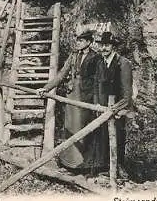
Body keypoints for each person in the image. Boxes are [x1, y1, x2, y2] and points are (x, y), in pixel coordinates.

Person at [37, 29, 99, 173]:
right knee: (70, 128)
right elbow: (61, 75)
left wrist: (97, 101)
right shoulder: (73, 56)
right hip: (72, 97)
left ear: (89, 42)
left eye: (81, 41)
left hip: (86, 98)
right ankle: (68, 164)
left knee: (84, 130)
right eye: (77, 40)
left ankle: (84, 166)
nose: (78, 43)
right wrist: (46, 88)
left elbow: (98, 81)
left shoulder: (95, 58)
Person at [86, 31, 133, 178]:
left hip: (117, 109)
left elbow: (127, 96)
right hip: (102, 108)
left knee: (118, 137)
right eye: (101, 45)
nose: (103, 48)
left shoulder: (123, 63)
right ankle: (102, 168)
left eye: (107, 45)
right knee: (101, 137)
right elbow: (96, 86)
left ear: (113, 46)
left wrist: (114, 109)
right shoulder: (100, 62)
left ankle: (119, 168)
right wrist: (97, 106)